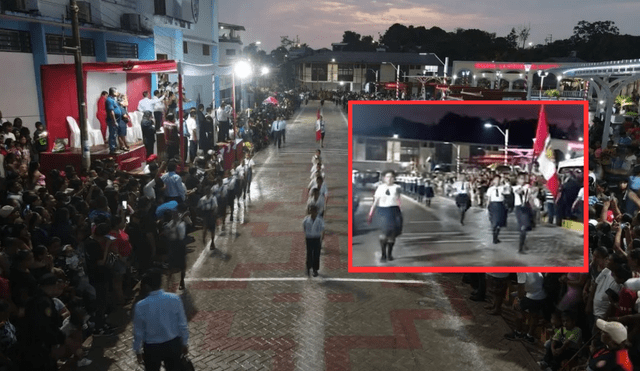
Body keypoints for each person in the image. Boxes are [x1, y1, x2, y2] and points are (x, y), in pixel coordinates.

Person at [133, 268, 189, 371]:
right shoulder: (174, 299)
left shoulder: (140, 306)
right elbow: (182, 324)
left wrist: (137, 350)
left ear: (147, 286)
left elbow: (138, 332)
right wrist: (184, 343)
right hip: (173, 344)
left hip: (152, 348)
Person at [368, 170, 402, 263]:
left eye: (391, 177)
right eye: (387, 177)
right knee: (384, 234)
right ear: (384, 178)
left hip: (394, 211)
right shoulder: (380, 188)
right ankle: (383, 254)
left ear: (394, 178)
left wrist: (400, 213)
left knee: (392, 235)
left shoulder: (397, 187)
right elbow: (375, 201)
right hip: (383, 211)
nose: (389, 179)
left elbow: (398, 200)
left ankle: (390, 254)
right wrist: (371, 213)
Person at [303, 205, 325, 277]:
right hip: (309, 238)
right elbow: (304, 228)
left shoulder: (320, 220)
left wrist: (322, 238)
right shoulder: (306, 220)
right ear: (310, 211)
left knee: (316, 254)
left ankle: (315, 269)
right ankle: (308, 268)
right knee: (309, 253)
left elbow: (323, 229)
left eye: (314, 211)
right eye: (311, 211)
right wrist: (306, 235)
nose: (313, 212)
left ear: (316, 212)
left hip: (316, 238)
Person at [513, 174, 533, 253]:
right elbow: (518, 192)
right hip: (519, 208)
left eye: (523, 179)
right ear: (517, 180)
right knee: (523, 227)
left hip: (526, 208)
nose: (522, 180)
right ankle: (520, 248)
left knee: (526, 227)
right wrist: (524, 188)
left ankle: (523, 243)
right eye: (520, 179)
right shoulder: (515, 187)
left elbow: (530, 197)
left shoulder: (528, 188)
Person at [486, 175, 507, 244]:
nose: (497, 181)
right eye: (496, 179)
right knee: (494, 222)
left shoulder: (502, 188)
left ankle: (496, 236)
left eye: (499, 179)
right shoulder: (490, 189)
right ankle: (494, 237)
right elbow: (488, 199)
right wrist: (487, 207)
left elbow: (507, 191)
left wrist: (504, 182)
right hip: (493, 205)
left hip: (500, 204)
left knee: (499, 222)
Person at [105, 87, 122, 155]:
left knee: (115, 134)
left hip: (117, 120)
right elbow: (111, 111)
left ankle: (115, 148)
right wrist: (114, 121)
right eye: (116, 92)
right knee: (112, 134)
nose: (117, 93)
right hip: (112, 120)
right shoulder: (109, 100)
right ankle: (112, 149)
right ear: (113, 92)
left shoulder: (113, 99)